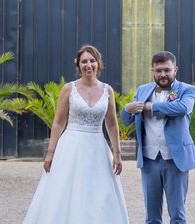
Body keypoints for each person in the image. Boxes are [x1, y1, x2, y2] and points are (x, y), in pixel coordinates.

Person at [24, 44, 129, 224]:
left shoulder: (107, 90)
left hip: (97, 147)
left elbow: (111, 124)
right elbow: (58, 122)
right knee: (65, 190)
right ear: (78, 65)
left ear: (98, 64)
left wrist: (117, 154)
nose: (88, 65)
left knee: (98, 191)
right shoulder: (69, 89)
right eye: (84, 61)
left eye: (92, 61)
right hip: (71, 146)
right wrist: (50, 152)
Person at [120, 51, 195, 224]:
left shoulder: (187, 89)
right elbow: (125, 120)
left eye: (166, 70)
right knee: (151, 216)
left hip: (175, 159)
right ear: (153, 71)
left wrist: (150, 107)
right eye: (158, 70)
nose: (162, 74)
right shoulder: (142, 90)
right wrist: (127, 109)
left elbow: (181, 109)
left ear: (175, 70)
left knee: (177, 214)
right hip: (149, 160)